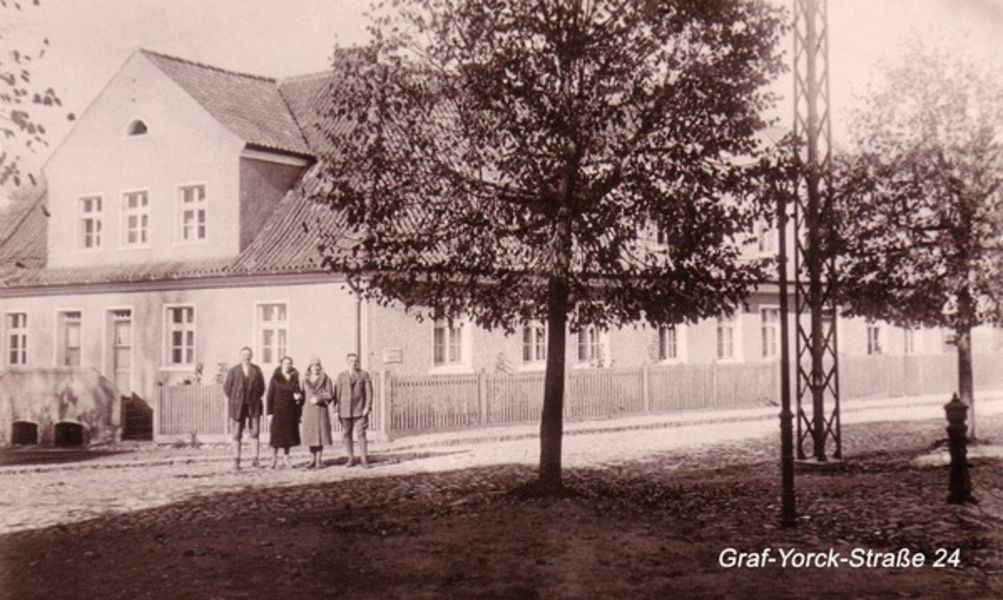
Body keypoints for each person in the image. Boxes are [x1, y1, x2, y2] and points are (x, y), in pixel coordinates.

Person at [223, 346, 266, 470]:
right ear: (240, 356)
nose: (246, 357)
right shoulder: (233, 371)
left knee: (255, 432)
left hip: (253, 405)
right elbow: (227, 389)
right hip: (238, 407)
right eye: (244, 354)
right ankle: (236, 460)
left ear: (251, 356)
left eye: (248, 354)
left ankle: (255, 459)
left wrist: (254, 398)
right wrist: (236, 400)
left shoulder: (257, 370)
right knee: (236, 434)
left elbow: (262, 388)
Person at [333, 352, 373, 468]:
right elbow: (337, 394)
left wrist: (367, 407)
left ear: (358, 362)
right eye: (351, 361)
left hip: (360, 410)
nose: (353, 363)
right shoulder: (341, 376)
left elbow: (369, 393)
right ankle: (350, 458)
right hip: (345, 410)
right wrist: (336, 410)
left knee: (361, 434)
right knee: (347, 434)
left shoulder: (363, 375)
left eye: (355, 361)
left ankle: (364, 459)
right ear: (347, 362)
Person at [266, 356, 303, 468]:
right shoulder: (275, 378)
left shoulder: (295, 377)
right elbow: (270, 396)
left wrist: (299, 396)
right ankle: (273, 459)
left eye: (290, 363)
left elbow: (298, 392)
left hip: (291, 410)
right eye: (285, 363)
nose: (287, 365)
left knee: (288, 436)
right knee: (276, 436)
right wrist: (269, 413)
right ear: (281, 364)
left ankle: (286, 458)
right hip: (278, 410)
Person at [301, 358, 335, 469]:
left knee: (320, 435)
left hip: (320, 410)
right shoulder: (305, 380)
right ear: (309, 367)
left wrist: (319, 398)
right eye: (313, 365)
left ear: (320, 367)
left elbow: (330, 394)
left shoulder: (326, 379)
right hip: (308, 410)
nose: (315, 368)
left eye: (317, 365)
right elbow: (302, 395)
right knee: (310, 435)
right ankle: (312, 459)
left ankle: (318, 461)